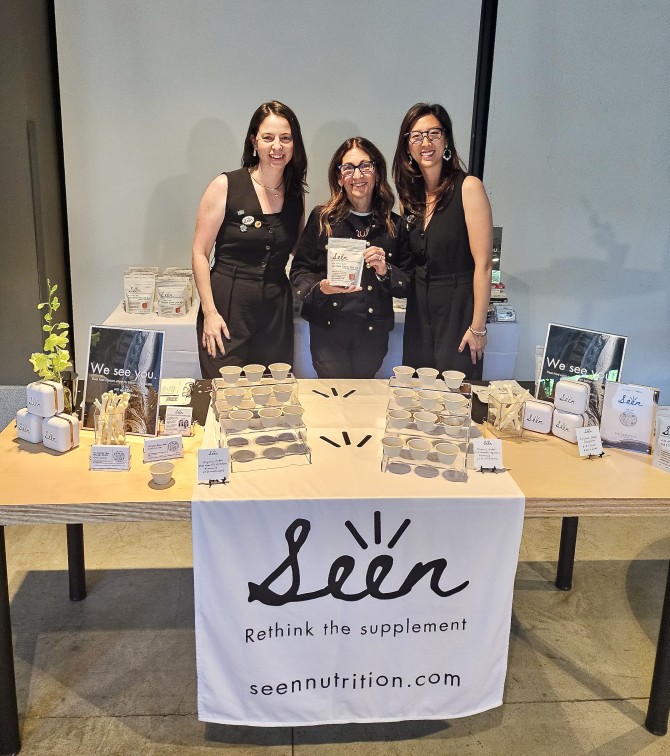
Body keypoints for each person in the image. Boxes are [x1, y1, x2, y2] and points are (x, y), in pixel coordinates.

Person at [192, 101, 307, 378]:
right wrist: (209, 312)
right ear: (254, 141)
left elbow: (300, 251)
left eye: (285, 138)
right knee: (224, 392)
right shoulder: (226, 185)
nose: (276, 147)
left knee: (270, 394)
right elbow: (199, 251)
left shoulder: (294, 194)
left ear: (294, 144)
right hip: (227, 307)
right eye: (268, 138)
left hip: (276, 310)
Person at [290, 137, 412, 378]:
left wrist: (385, 270)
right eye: (348, 168)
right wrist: (321, 287)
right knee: (333, 400)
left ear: (377, 172)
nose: (357, 175)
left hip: (372, 334)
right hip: (327, 331)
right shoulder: (323, 218)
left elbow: (408, 282)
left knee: (363, 400)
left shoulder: (394, 225)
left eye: (365, 166)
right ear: (339, 177)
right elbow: (299, 271)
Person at [392, 103, 492, 380]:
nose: (425, 142)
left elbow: (483, 265)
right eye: (416, 136)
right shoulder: (409, 197)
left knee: (453, 399)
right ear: (407, 147)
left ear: (446, 139)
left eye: (433, 133)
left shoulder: (469, 187)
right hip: (418, 310)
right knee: (416, 397)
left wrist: (478, 327)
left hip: (457, 309)